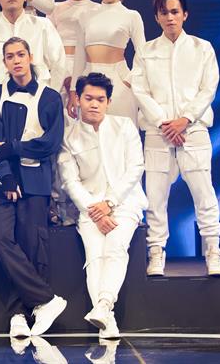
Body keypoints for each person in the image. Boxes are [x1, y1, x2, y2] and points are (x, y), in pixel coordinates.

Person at [131, 0, 220, 276]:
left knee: (204, 193)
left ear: (185, 14)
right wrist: (163, 122)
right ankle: (156, 251)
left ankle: (213, 251)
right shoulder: (146, 51)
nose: (170, 17)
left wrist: (185, 119)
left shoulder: (202, 48)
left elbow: (208, 88)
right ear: (157, 17)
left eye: (174, 11)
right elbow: (140, 90)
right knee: (155, 197)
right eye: (164, 12)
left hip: (192, 131)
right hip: (158, 133)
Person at [0, 37, 66, 337]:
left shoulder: (50, 97)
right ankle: (44, 300)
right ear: (4, 62)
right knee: (1, 239)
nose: (16, 60)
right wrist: (7, 176)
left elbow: (50, 143)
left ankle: (21, 313)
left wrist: (14, 147)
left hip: (36, 182)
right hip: (1, 182)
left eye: (21, 54)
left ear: (30, 57)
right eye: (10, 56)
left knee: (33, 246)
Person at [57, 73, 147, 339]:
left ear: (108, 101)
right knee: (95, 255)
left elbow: (135, 168)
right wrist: (95, 210)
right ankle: (107, 320)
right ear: (78, 99)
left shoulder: (124, 126)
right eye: (88, 98)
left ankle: (104, 306)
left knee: (116, 247)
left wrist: (110, 202)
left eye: (100, 99)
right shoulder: (68, 137)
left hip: (125, 202)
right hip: (89, 208)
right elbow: (70, 181)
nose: (94, 104)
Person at [69, 0, 145, 126]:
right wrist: (74, 89)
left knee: (121, 133)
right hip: (88, 82)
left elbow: (143, 54)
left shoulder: (131, 16)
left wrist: (129, 80)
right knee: (89, 135)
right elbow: (79, 56)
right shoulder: (85, 15)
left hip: (119, 84)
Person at [47, 0, 101, 108]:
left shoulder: (98, 10)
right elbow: (49, 45)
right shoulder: (54, 8)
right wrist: (64, 75)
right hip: (58, 66)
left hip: (88, 66)